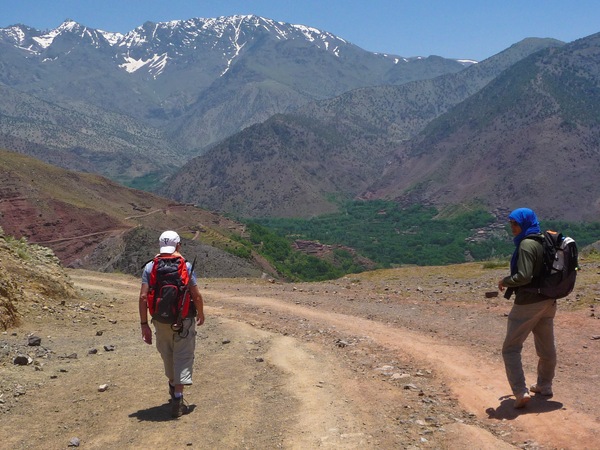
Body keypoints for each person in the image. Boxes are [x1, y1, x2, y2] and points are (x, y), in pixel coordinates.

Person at [139, 230, 205, 418]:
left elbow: (143, 297)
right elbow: (196, 295)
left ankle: (172, 384)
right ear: (178, 246)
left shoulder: (150, 268)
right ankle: (178, 396)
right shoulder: (186, 266)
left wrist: (144, 324)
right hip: (184, 320)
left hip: (160, 320)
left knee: (167, 353)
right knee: (183, 355)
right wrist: (200, 313)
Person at [498, 208, 556, 408]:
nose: (512, 227)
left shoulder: (526, 244)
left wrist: (505, 281)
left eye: (515, 223)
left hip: (529, 302)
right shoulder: (543, 240)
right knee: (546, 346)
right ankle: (544, 385)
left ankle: (520, 391)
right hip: (549, 300)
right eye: (511, 223)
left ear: (524, 223)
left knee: (510, 348)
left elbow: (523, 276)